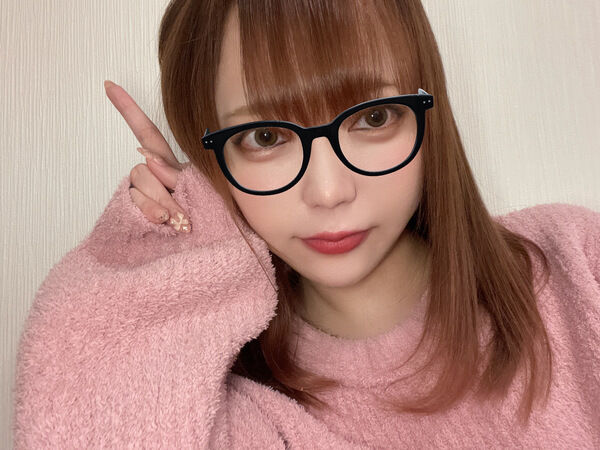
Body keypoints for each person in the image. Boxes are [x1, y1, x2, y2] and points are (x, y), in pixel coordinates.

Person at [13, 0, 600, 448]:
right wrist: (171, 252)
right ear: (211, 154)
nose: (328, 192)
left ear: (429, 111)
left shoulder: (579, 266)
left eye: (374, 117)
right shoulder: (225, 401)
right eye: (265, 136)